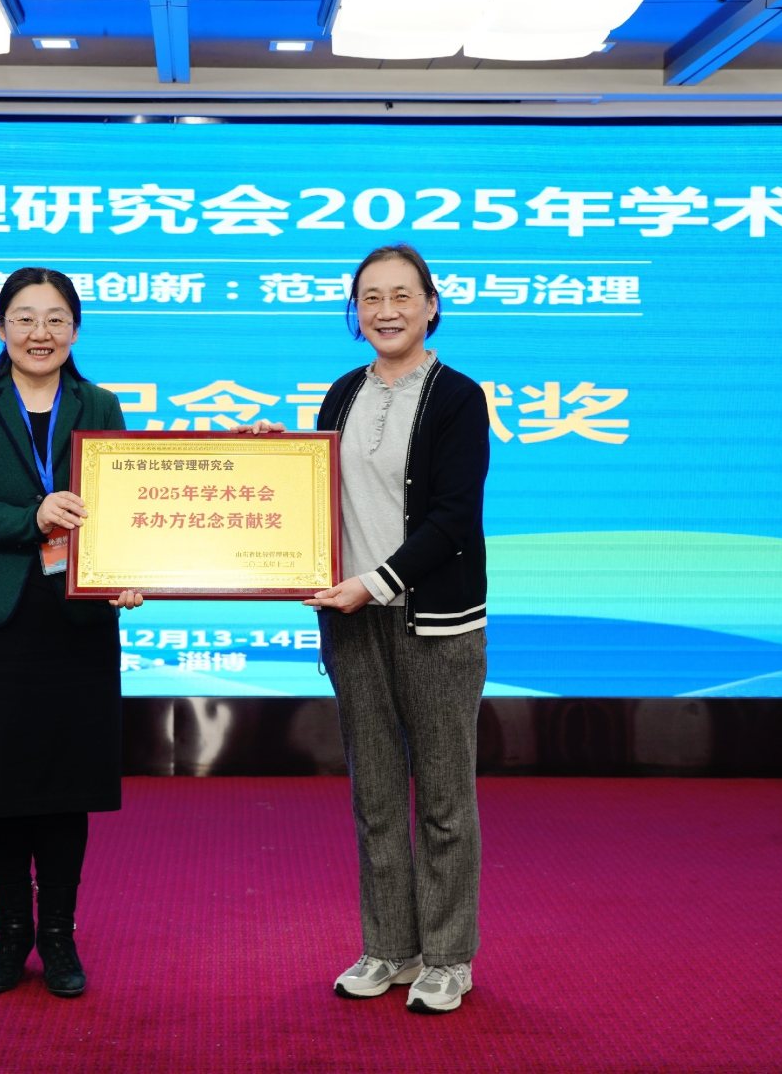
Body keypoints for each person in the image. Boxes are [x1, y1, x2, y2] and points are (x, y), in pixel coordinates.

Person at [0, 266, 142, 999]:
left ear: (75, 329)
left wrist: (129, 570)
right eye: (24, 318)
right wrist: (34, 518)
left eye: (55, 319)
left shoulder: (99, 404)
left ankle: (57, 935)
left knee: (65, 784)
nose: (40, 333)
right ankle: (10, 931)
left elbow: (123, 507)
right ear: (1, 327)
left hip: (76, 621)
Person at [307, 244, 490, 1014]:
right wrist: (268, 460)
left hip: (434, 623)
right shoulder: (342, 393)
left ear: (431, 305)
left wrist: (376, 583)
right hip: (352, 624)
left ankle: (448, 958)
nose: (386, 310)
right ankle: (390, 947)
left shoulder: (459, 397)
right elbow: (316, 493)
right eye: (370, 297)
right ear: (355, 311)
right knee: (376, 797)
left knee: (444, 799)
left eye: (402, 295)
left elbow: (453, 518)